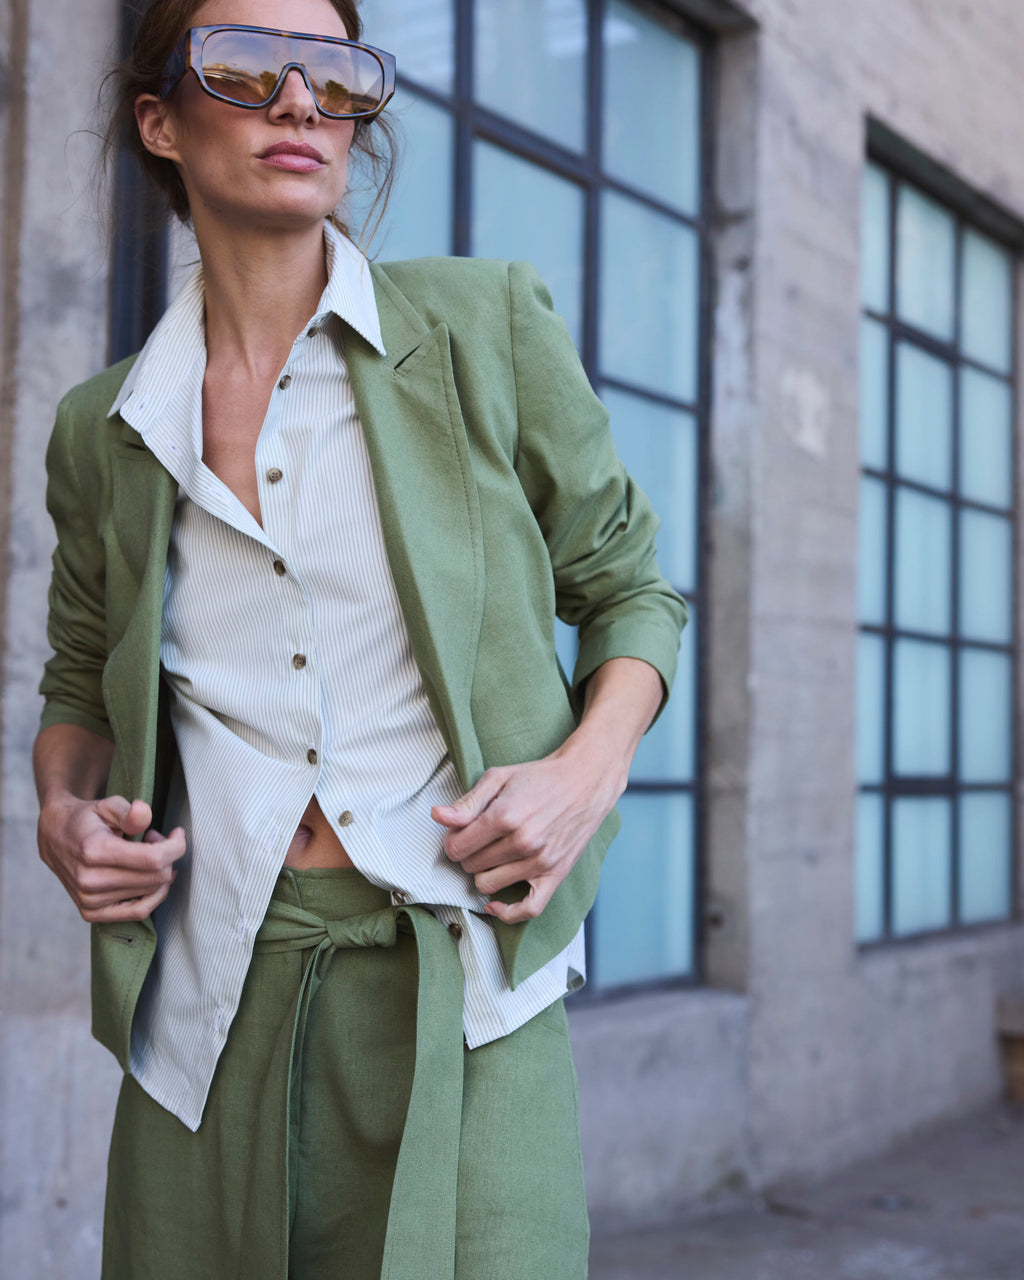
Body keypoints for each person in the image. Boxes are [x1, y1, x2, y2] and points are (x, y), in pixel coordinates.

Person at [33, 0, 688, 1276]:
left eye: (334, 73)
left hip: (461, 985)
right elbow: (77, 677)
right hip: (207, 999)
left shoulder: (482, 329)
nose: (298, 102)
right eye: (246, 65)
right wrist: (61, 812)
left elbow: (633, 591)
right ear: (159, 121)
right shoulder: (102, 428)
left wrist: (579, 776)